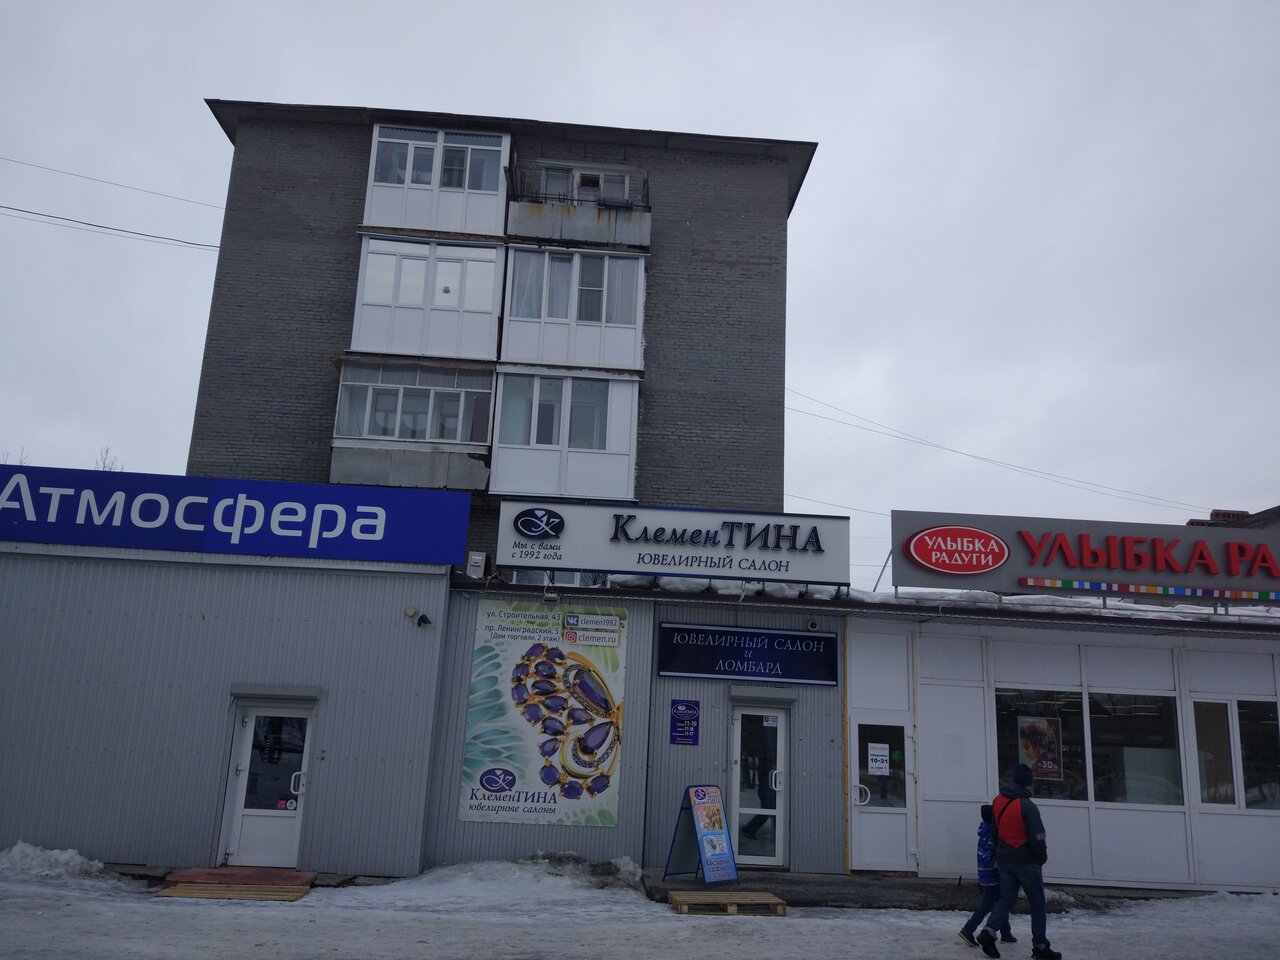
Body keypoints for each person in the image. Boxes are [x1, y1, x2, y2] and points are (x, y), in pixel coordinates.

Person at [975, 764, 1061, 960]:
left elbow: (995, 830)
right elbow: (1038, 837)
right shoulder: (1028, 807)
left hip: (1005, 859)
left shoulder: (998, 801)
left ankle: (989, 932)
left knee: (1006, 899)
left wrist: (999, 852)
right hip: (1026, 861)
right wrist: (1042, 857)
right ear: (1028, 782)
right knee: (1037, 903)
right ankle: (1040, 946)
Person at [958, 804, 1016, 948]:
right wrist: (1002, 868)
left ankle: (1006, 933)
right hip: (993, 876)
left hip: (986, 874)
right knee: (987, 905)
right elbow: (990, 858)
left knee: (1001, 902)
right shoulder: (991, 835)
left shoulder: (984, 831)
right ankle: (968, 929)